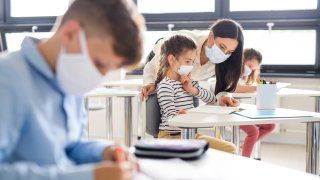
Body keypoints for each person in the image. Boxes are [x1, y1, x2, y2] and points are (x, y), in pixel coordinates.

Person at [0, 0, 144, 180]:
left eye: (108, 69)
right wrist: (89, 176)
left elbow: (69, 147)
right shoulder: (7, 79)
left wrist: (102, 152)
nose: (98, 77)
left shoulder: (68, 78)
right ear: (69, 34)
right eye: (98, 63)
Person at [156, 35, 237, 154]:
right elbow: (171, 117)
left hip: (189, 134)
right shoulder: (165, 86)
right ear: (172, 59)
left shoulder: (189, 82)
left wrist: (192, 89)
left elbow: (213, 99)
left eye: (192, 62)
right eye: (187, 61)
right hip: (171, 136)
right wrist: (179, 115)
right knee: (229, 149)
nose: (191, 66)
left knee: (230, 148)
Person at [142, 19, 244, 107]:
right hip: (160, 56)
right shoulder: (186, 43)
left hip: (185, 81)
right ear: (211, 36)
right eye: (222, 46)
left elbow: (222, 87)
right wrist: (149, 82)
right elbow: (151, 66)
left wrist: (224, 97)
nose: (223, 54)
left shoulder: (223, 60)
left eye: (229, 52)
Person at [234, 48, 275, 158]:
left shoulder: (248, 75)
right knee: (253, 132)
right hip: (230, 110)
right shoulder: (232, 71)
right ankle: (245, 160)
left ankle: (245, 145)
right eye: (250, 66)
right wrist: (254, 88)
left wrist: (269, 85)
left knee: (270, 125)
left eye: (253, 68)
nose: (251, 69)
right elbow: (234, 88)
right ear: (242, 60)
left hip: (240, 109)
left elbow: (259, 82)